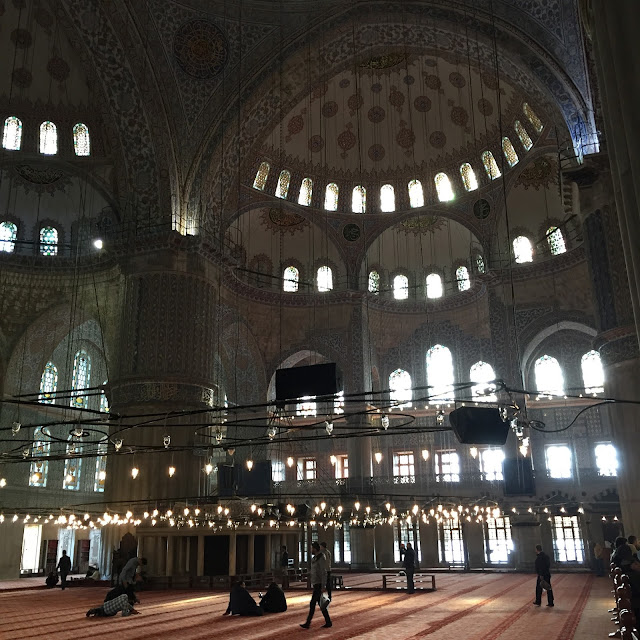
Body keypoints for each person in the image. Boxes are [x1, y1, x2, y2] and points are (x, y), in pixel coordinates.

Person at [300, 541, 331, 629]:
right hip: (316, 583)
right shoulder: (315, 558)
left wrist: (323, 586)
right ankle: (328, 622)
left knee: (313, 603)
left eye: (311, 548)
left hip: (319, 584)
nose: (310, 550)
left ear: (315, 549)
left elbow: (323, 572)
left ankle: (308, 623)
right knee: (320, 604)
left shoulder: (321, 558)